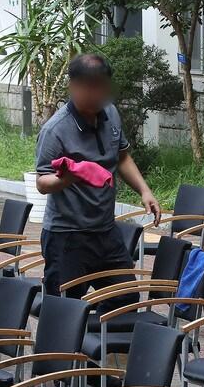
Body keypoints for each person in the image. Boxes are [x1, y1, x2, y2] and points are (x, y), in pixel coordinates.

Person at [33, 52, 160, 299]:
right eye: (88, 87)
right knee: (64, 310)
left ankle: (99, 337)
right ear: (73, 86)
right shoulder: (55, 130)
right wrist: (68, 179)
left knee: (124, 300)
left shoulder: (110, 114)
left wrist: (144, 191)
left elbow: (122, 156)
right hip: (66, 236)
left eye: (100, 87)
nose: (95, 95)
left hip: (105, 231)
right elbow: (42, 182)